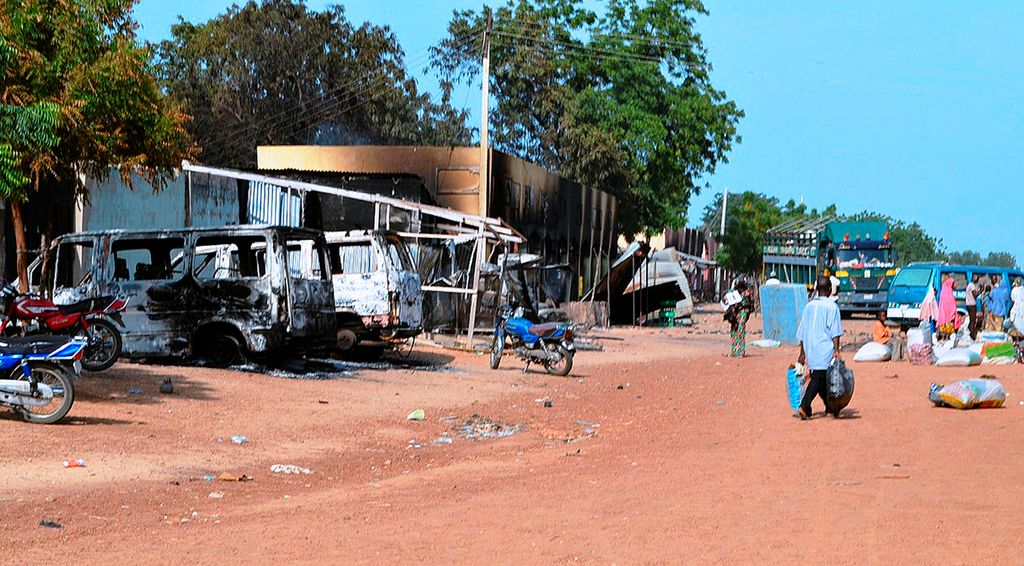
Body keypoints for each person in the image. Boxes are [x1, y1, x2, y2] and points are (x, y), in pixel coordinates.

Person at [796, 276, 844, 419]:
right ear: (829, 290)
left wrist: (803, 353)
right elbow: (835, 331)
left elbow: (802, 331)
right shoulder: (832, 307)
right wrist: (836, 350)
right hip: (825, 348)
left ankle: (830, 408)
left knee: (822, 378)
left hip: (811, 348)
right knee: (818, 377)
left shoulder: (808, 306)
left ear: (817, 289)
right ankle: (804, 406)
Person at [724, 280, 754, 357]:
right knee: (736, 331)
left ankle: (739, 351)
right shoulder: (734, 292)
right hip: (736, 314)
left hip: (740, 313)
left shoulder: (745, 293)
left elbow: (748, 304)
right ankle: (736, 351)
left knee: (739, 331)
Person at [965, 274, 979, 340]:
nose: (978, 280)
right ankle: (972, 335)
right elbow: (975, 295)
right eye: (977, 278)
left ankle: (969, 332)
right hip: (972, 304)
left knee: (971, 319)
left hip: (968, 304)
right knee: (973, 320)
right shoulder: (972, 285)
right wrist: (980, 291)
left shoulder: (969, 285)